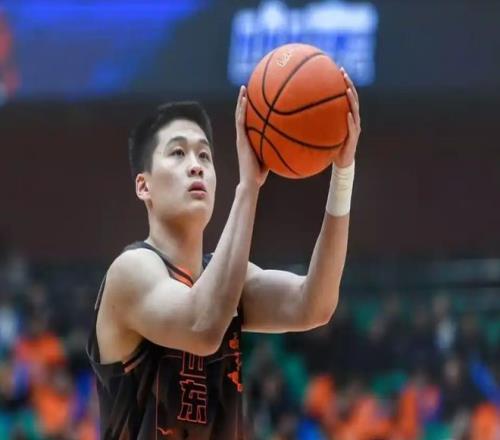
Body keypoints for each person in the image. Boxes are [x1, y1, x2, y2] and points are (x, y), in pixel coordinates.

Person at [86, 69, 361, 439]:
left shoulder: (229, 278)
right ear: (143, 186)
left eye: (205, 155)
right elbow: (202, 327)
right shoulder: (130, 271)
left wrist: (343, 172)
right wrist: (249, 187)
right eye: (177, 153)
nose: (196, 164)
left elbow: (315, 304)